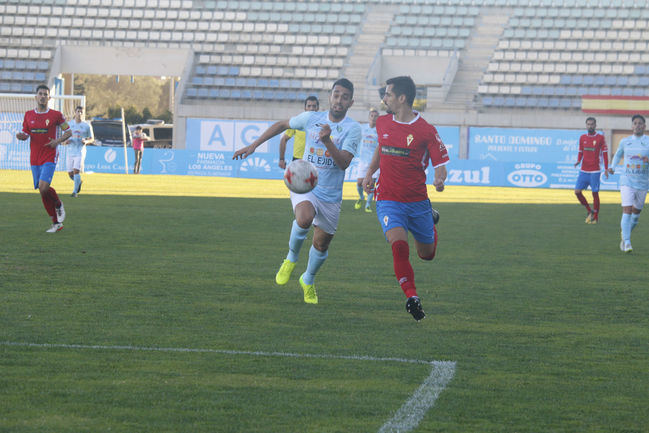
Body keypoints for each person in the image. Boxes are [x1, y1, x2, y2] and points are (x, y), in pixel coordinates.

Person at [234, 78, 361, 304]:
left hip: (331, 195)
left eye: (344, 97)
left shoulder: (353, 129)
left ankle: (308, 279)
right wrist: (254, 145)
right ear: (330, 96)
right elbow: (283, 125)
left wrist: (328, 141)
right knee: (304, 218)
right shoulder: (312, 118)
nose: (339, 100)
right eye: (336, 95)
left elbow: (343, 164)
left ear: (351, 102)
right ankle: (291, 258)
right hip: (306, 183)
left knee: (321, 244)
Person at [362, 76, 449, 321]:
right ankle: (412, 297)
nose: (384, 98)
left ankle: (430, 223)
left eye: (388, 94)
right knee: (398, 246)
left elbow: (440, 164)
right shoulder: (382, 123)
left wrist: (439, 179)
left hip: (418, 202)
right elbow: (382, 147)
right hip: (388, 199)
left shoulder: (427, 130)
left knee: (427, 254)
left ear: (402, 98)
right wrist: (370, 173)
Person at [16, 84, 72, 233]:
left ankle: (58, 204)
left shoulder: (56, 115)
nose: (42, 96)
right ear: (36, 97)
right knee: (42, 191)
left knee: (44, 187)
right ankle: (56, 223)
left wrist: (57, 141)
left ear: (49, 97)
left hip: (49, 155)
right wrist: (22, 136)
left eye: (45, 94)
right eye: (40, 94)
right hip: (34, 158)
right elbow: (26, 133)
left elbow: (68, 132)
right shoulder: (28, 115)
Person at [608, 114, 649, 253]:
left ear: (644, 126)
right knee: (627, 210)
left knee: (636, 215)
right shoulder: (625, 142)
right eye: (635, 123)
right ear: (632, 126)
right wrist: (612, 167)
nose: (637, 125)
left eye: (640, 123)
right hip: (627, 181)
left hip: (643, 183)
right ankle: (627, 242)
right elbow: (618, 154)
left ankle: (625, 234)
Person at [574, 117, 608, 224]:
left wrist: (606, 168)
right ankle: (589, 210)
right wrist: (578, 160)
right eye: (588, 124)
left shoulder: (600, 138)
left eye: (592, 124)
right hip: (584, 170)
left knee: (595, 193)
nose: (590, 126)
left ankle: (595, 217)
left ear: (595, 125)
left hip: (595, 171)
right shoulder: (582, 137)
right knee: (577, 192)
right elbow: (580, 151)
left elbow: (605, 154)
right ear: (586, 125)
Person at [278, 95, 319, 169]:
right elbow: (283, 139)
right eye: (309, 106)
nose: (311, 109)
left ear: (318, 108)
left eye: (314, 106)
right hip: (298, 160)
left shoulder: (323, 124)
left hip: (315, 160)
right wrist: (281, 159)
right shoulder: (297, 122)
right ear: (305, 108)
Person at [65, 105, 94, 197]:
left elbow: (92, 138)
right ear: (75, 112)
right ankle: (79, 181)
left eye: (82, 112)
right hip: (70, 151)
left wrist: (86, 141)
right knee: (70, 174)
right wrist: (66, 141)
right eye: (78, 111)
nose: (80, 114)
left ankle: (75, 192)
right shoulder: (69, 124)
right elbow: (65, 136)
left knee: (76, 171)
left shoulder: (86, 126)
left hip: (80, 151)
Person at [355, 107, 380, 212]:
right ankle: (361, 197)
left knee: (371, 184)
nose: (373, 118)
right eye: (371, 116)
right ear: (369, 117)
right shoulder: (362, 128)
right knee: (359, 183)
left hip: (374, 161)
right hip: (363, 160)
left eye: (375, 116)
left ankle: (368, 205)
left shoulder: (379, 131)